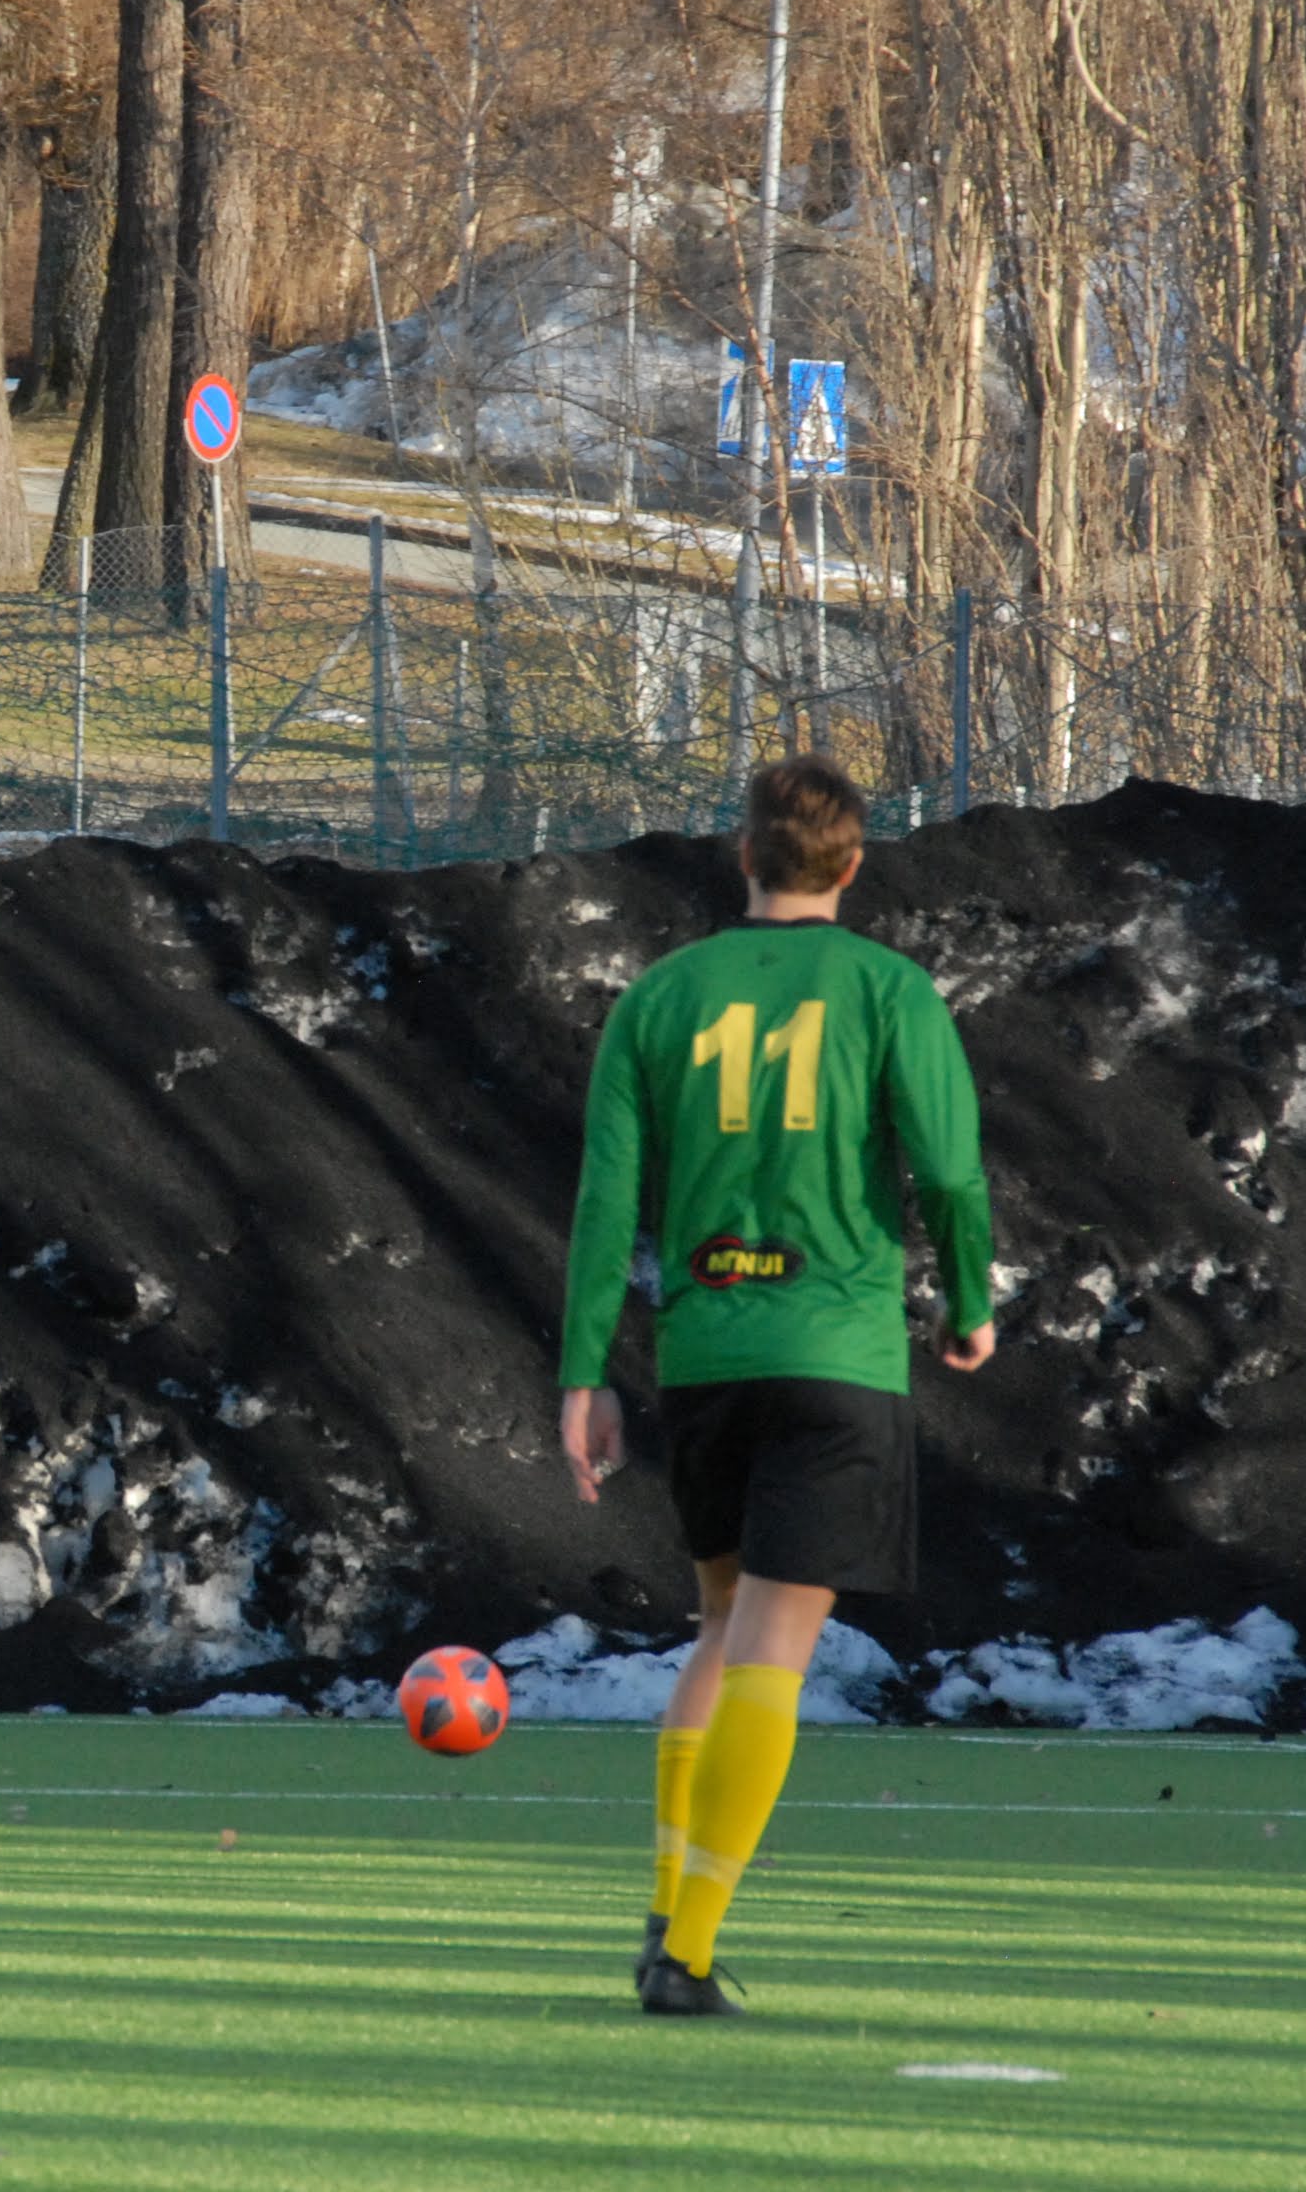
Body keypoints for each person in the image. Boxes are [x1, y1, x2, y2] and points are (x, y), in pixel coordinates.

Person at [557, 756, 995, 2016]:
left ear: (741, 857)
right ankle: (685, 1953)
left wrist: (584, 1371)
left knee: (717, 1624)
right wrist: (968, 1302)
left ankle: (665, 1904)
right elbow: (947, 1173)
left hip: (705, 1357)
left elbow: (605, 1198)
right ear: (850, 867)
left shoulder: (661, 994)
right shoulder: (886, 989)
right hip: (833, 1355)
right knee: (771, 1651)